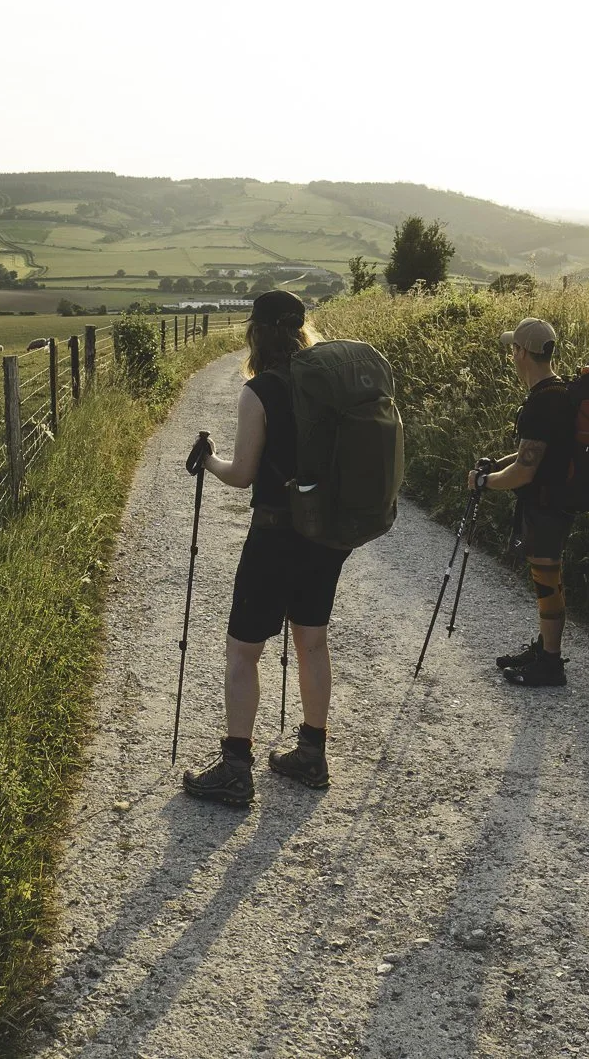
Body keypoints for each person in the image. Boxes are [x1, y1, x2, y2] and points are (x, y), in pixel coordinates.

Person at [180, 289, 349, 806]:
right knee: (313, 642)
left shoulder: (260, 392)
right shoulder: (330, 386)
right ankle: (312, 755)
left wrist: (208, 461)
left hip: (275, 536)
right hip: (324, 537)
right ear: (301, 329)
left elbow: (243, 474)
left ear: (257, 332)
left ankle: (236, 768)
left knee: (243, 651)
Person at [468, 317, 573, 687]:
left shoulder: (541, 404)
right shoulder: (559, 392)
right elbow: (533, 455)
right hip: (554, 498)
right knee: (546, 576)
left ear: (522, 353)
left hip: (547, 503)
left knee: (547, 578)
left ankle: (551, 664)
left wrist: (485, 481)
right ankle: (545, 649)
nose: (510, 355)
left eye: (512, 349)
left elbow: (524, 473)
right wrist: (496, 465)